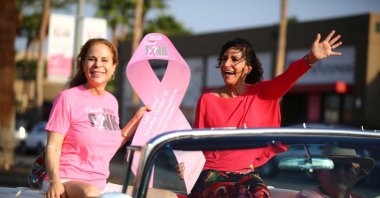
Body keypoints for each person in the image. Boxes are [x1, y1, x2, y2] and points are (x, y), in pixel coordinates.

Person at [176, 30, 343, 198]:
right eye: (224, 59)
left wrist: (311, 59)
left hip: (246, 175)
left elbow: (288, 77)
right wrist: (186, 165)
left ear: (247, 68)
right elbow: (196, 145)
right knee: (236, 194)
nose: (226, 64)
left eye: (234, 59)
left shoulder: (263, 93)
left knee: (261, 194)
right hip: (211, 173)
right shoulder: (207, 100)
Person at [43, 38, 150, 198]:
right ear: (83, 64)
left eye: (104, 60)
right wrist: (54, 181)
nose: (98, 65)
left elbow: (109, 146)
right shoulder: (67, 98)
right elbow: (53, 146)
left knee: (167, 195)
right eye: (92, 59)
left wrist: (137, 119)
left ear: (114, 67)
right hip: (65, 180)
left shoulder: (111, 101)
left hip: (100, 185)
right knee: (91, 193)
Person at [296, 145, 375, 198]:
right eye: (334, 166)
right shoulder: (308, 196)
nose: (341, 172)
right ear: (319, 172)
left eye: (348, 167)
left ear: (356, 173)